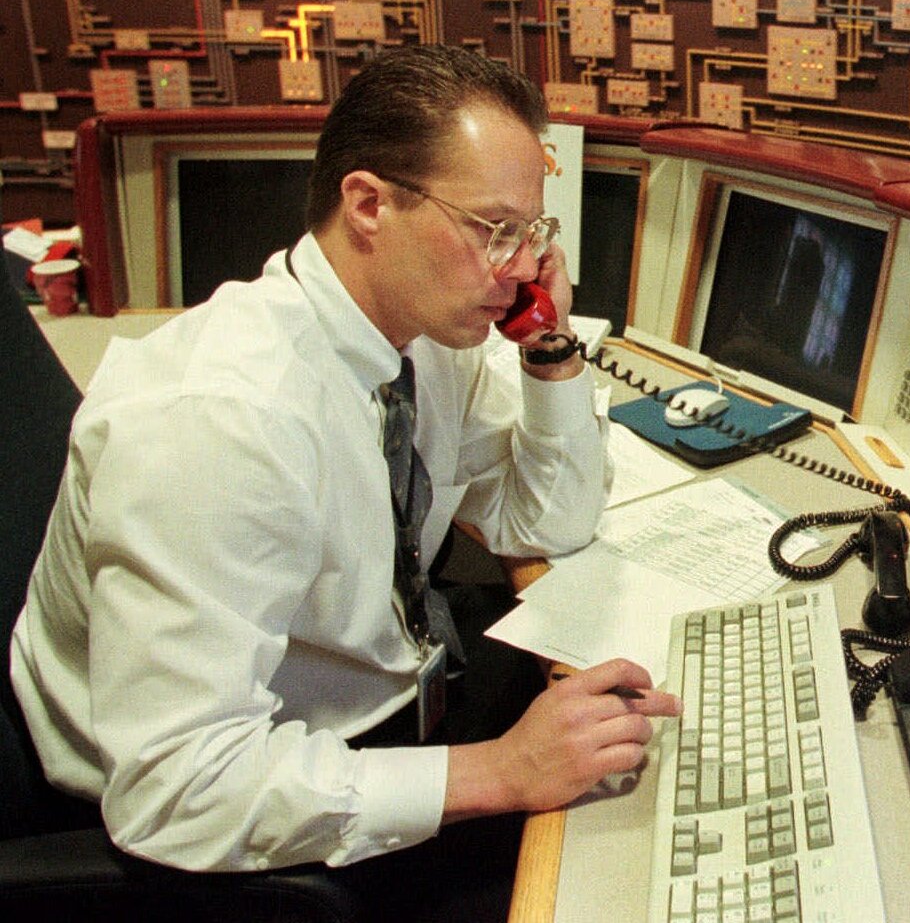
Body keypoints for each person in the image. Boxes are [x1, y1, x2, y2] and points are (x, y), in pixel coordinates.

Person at [10, 45, 679, 915]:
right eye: (494, 229)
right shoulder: (219, 423)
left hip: (380, 693)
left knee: (642, 766)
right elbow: (177, 791)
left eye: (533, 234)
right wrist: (502, 772)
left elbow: (545, 522)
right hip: (238, 792)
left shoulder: (422, 335)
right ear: (369, 204)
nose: (521, 268)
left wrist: (550, 349)